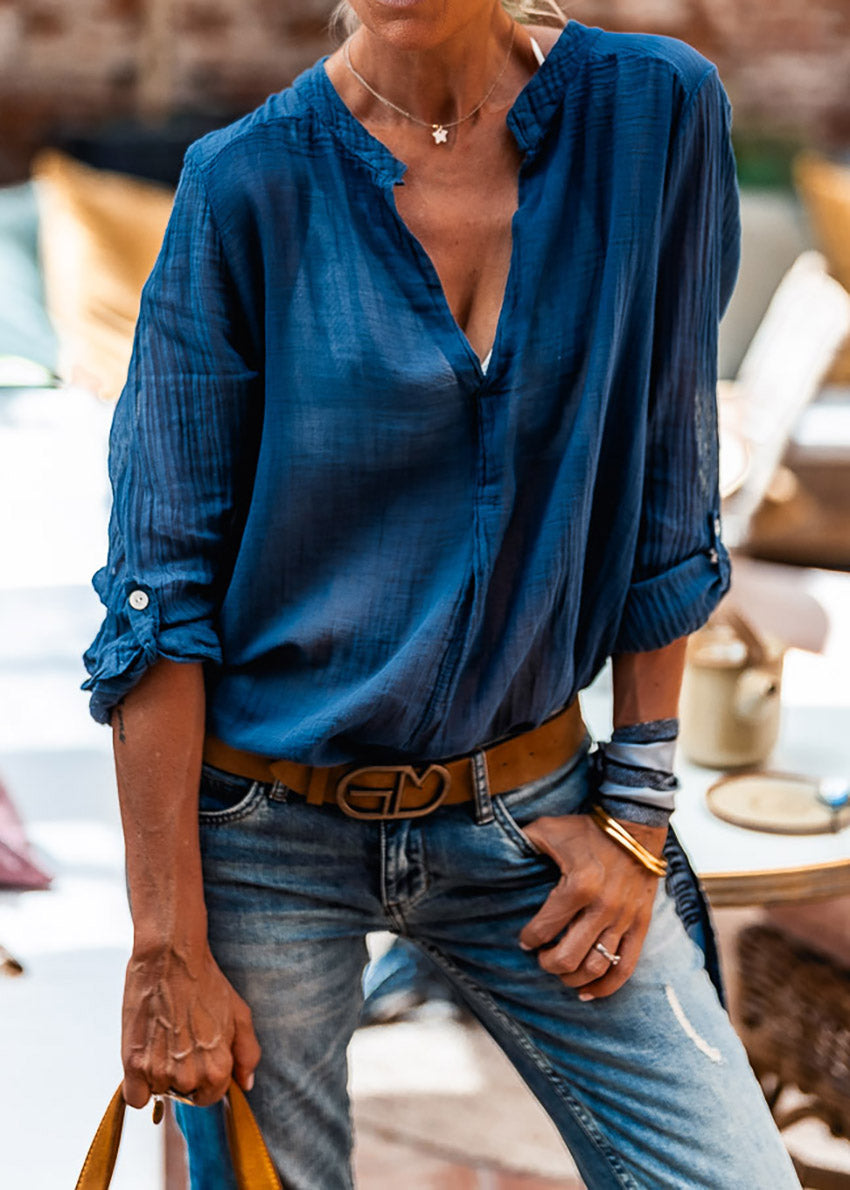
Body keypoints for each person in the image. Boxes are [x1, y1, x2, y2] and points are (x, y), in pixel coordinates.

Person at [82, 1, 802, 1187]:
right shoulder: (245, 184)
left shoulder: (653, 114)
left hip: (528, 806)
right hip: (264, 832)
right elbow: (162, 589)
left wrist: (639, 802)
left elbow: (668, 481)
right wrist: (166, 945)